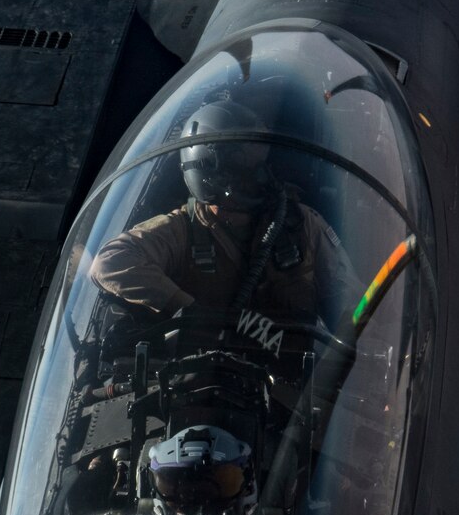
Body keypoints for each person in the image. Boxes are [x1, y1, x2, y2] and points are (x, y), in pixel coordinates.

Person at [87, 95, 344, 335]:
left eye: (263, 162)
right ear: (217, 175)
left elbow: (357, 310)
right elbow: (109, 262)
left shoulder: (300, 224)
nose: (264, 175)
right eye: (250, 167)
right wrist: (187, 309)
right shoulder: (181, 230)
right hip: (212, 377)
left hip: (298, 377)